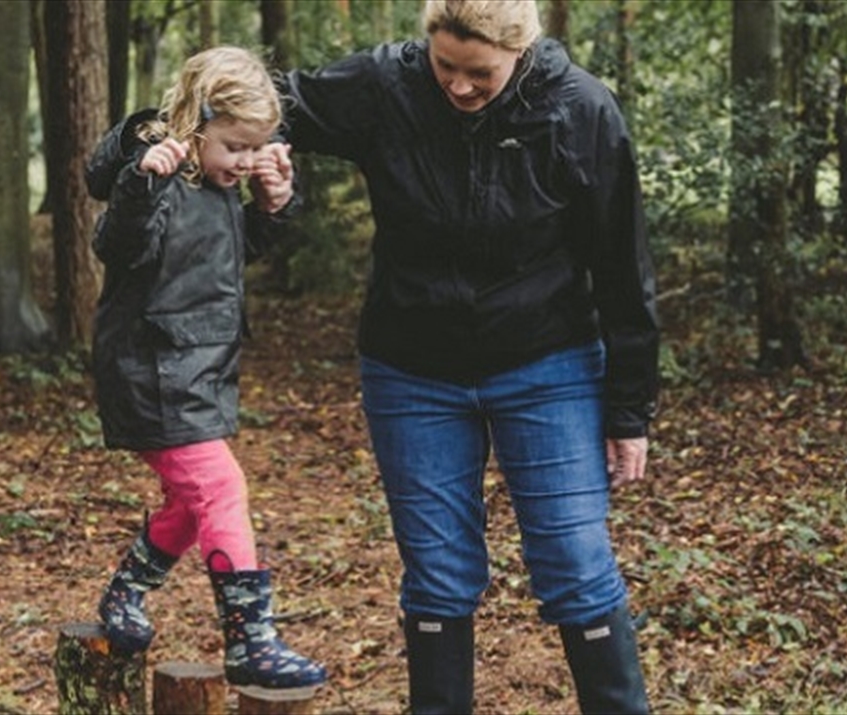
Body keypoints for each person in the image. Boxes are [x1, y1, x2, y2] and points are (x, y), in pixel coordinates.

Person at [275, 1, 660, 712]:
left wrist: (629, 409)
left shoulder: (581, 112)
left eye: (477, 72)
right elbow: (274, 100)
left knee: (576, 563)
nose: (456, 85)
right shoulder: (387, 86)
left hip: (549, 365)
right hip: (411, 369)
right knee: (438, 573)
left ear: (522, 51)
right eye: (444, 64)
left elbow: (622, 268)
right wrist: (187, 140)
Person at [83, 45, 327, 690]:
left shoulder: (214, 185)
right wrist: (139, 183)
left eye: (258, 147)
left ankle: (124, 597)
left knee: (193, 506)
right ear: (195, 125)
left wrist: (273, 207)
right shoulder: (160, 177)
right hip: (153, 365)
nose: (246, 161)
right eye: (235, 146)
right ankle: (251, 639)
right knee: (220, 490)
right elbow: (116, 245)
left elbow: (222, 257)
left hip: (199, 364)